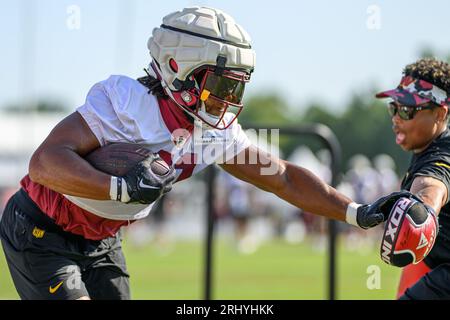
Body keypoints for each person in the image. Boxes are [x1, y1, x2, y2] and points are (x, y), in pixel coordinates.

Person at [0, 6, 403, 300]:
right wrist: (119, 187)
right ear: (178, 67)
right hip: (43, 230)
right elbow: (44, 163)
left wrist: (355, 212)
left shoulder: (214, 133)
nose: (228, 101)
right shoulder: (125, 103)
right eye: (222, 85)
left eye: (237, 88)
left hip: (103, 240)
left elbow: (281, 177)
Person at [375, 58, 450, 299]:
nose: (396, 118)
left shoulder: (441, 155)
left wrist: (422, 210)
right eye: (393, 107)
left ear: (440, 113)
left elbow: (432, 184)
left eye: (407, 110)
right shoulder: (426, 147)